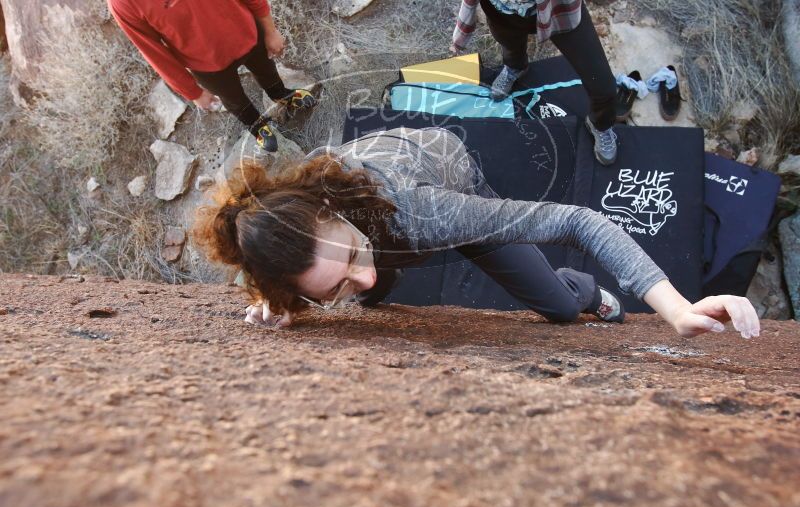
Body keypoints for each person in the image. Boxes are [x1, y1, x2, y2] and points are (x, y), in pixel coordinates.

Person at [193, 127, 760, 339]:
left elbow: (578, 220)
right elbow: (276, 263)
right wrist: (283, 304)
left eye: (353, 258)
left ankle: (583, 291)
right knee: (371, 292)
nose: (360, 277)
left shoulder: (429, 213)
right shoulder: (279, 230)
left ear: (334, 214)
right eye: (333, 285)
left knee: (559, 310)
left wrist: (677, 308)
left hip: (443, 172)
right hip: (382, 203)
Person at [108, 0, 316, 152]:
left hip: (246, 31)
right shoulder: (123, 4)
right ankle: (258, 127)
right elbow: (155, 52)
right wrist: (193, 92)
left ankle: (282, 96)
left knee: (267, 71)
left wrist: (270, 30)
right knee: (235, 101)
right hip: (206, 65)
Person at [451, 0, 619, 165]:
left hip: (559, 10)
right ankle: (515, 67)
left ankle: (600, 124)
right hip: (501, 9)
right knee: (511, 48)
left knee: (605, 88)